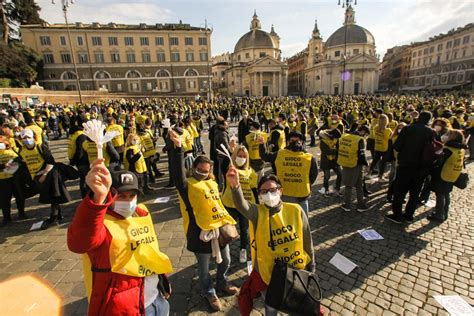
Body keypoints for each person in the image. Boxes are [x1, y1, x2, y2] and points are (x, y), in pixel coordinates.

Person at [67, 161, 173, 315]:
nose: (128, 201)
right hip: (128, 308)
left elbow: (149, 251)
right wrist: (97, 199)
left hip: (157, 298)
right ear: (110, 195)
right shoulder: (100, 223)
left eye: (132, 195)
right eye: (121, 196)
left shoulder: (141, 212)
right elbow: (78, 243)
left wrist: (162, 281)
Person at [226, 170, 315, 316]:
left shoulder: (295, 210)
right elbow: (241, 205)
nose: (269, 194)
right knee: (271, 308)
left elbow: (307, 239)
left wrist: (311, 266)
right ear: (260, 195)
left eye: (273, 190)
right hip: (268, 274)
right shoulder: (257, 213)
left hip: (295, 271)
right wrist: (235, 186)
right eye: (264, 191)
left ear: (281, 191)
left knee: (296, 306)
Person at [168, 129, 238, 312]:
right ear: (193, 169)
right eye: (199, 170)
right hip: (200, 232)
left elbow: (225, 171)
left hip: (220, 230)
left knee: (226, 260)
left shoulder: (214, 182)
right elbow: (177, 174)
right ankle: (209, 291)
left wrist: (230, 155)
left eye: (206, 171)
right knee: (204, 268)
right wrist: (178, 148)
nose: (202, 173)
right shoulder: (187, 185)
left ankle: (222, 282)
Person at [385, 111, 435, 224]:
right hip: (421, 167)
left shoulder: (408, 129)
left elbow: (397, 146)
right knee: (415, 193)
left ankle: (397, 215)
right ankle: (409, 216)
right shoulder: (431, 132)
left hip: (406, 165)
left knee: (400, 191)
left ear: (418, 117)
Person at [259, 131, 318, 214]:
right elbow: (265, 156)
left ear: (302, 142)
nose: (294, 143)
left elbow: (313, 175)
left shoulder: (309, 158)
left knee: (302, 221)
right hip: (285, 195)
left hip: (301, 196)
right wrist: (262, 144)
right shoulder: (280, 154)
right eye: (291, 140)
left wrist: (305, 183)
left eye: (297, 140)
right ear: (288, 142)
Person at [221, 145, 258, 263]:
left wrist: (257, 204)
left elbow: (254, 189)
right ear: (234, 156)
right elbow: (223, 164)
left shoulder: (251, 172)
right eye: (239, 155)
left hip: (245, 204)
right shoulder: (229, 168)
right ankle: (222, 250)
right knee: (225, 229)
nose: (241, 158)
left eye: (244, 156)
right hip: (229, 203)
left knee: (244, 229)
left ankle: (243, 249)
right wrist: (230, 151)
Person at [427, 129, 467, 222]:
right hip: (453, 175)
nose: (445, 135)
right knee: (446, 194)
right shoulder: (461, 149)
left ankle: (439, 215)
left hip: (443, 174)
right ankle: (445, 213)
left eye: (448, 134)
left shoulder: (448, 149)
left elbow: (439, 162)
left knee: (440, 194)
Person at [337, 126, 370, 212]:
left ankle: (347, 205)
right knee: (358, 185)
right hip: (356, 164)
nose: (365, 136)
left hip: (346, 162)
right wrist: (366, 164)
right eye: (366, 134)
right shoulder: (359, 139)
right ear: (362, 131)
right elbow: (362, 154)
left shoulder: (344, 136)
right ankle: (360, 205)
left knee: (349, 185)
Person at [0, 135, 26, 223]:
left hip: (14, 178)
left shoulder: (12, 151)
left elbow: (19, 159)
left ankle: (21, 213)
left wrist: (15, 161)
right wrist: (4, 166)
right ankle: (7, 217)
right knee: (4, 200)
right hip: (2, 180)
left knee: (19, 196)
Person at [319, 128, 342, 196]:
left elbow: (338, 148)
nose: (337, 139)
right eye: (336, 137)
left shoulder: (336, 139)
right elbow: (327, 152)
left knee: (340, 175)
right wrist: (337, 150)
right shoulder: (323, 141)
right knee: (327, 176)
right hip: (326, 161)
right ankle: (326, 190)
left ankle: (337, 189)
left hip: (335, 160)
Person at [369, 114, 392, 182]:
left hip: (377, 146)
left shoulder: (375, 128)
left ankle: (369, 173)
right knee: (383, 163)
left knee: (375, 161)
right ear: (386, 121)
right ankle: (380, 177)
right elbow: (391, 138)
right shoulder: (388, 130)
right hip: (385, 148)